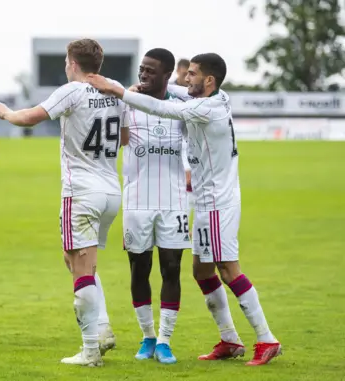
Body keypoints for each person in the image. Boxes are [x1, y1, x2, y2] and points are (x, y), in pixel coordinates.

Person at [87, 53, 282, 366]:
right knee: (201, 271)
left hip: (218, 201)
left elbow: (165, 106)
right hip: (204, 201)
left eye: (191, 74)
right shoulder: (218, 97)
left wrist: (121, 91)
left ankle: (266, 338)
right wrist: (141, 86)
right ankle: (230, 338)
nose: (184, 78)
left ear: (209, 80)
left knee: (229, 270)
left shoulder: (206, 107)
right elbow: (170, 93)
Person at [0, 38, 130, 367]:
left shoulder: (73, 90)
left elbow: (30, 118)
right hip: (110, 189)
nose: (66, 67)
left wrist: (6, 112)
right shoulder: (115, 89)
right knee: (75, 259)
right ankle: (103, 326)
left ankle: (91, 350)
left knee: (80, 268)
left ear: (74, 64)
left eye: (67, 62)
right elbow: (123, 138)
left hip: (80, 191)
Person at [121, 48, 191, 364]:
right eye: (142, 69)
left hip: (174, 200)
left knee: (172, 268)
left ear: (167, 74)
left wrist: (174, 90)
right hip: (136, 201)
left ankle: (165, 340)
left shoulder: (182, 108)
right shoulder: (128, 105)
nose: (143, 74)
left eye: (151, 70)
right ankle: (147, 336)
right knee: (139, 268)